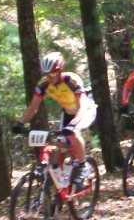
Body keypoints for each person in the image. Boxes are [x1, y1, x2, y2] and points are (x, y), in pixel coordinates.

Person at [13, 52, 94, 191]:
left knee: (71, 133)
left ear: (60, 70)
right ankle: (60, 187)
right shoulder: (44, 85)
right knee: (59, 147)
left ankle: (83, 165)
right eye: (46, 74)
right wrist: (20, 122)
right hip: (68, 113)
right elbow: (33, 108)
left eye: (53, 73)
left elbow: (82, 105)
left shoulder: (71, 80)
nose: (49, 77)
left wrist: (73, 126)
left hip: (85, 110)